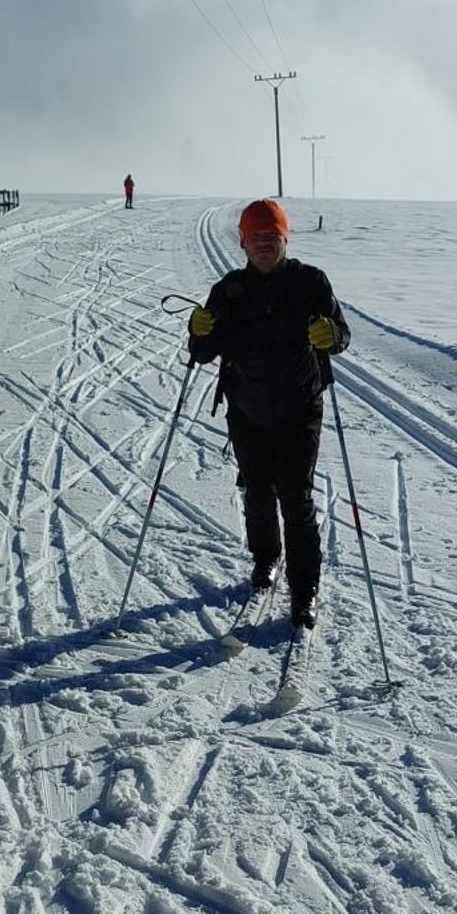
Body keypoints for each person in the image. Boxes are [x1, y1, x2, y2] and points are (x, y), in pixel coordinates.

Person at [187, 199, 350, 629]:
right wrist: (198, 332)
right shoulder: (228, 291)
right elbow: (202, 353)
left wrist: (330, 334)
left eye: (271, 236)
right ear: (242, 242)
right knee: (257, 491)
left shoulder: (310, 282)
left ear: (284, 238)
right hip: (247, 409)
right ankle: (265, 560)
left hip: (300, 407)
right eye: (255, 237)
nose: (263, 244)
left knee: (295, 497)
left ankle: (305, 590)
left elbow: (341, 336)